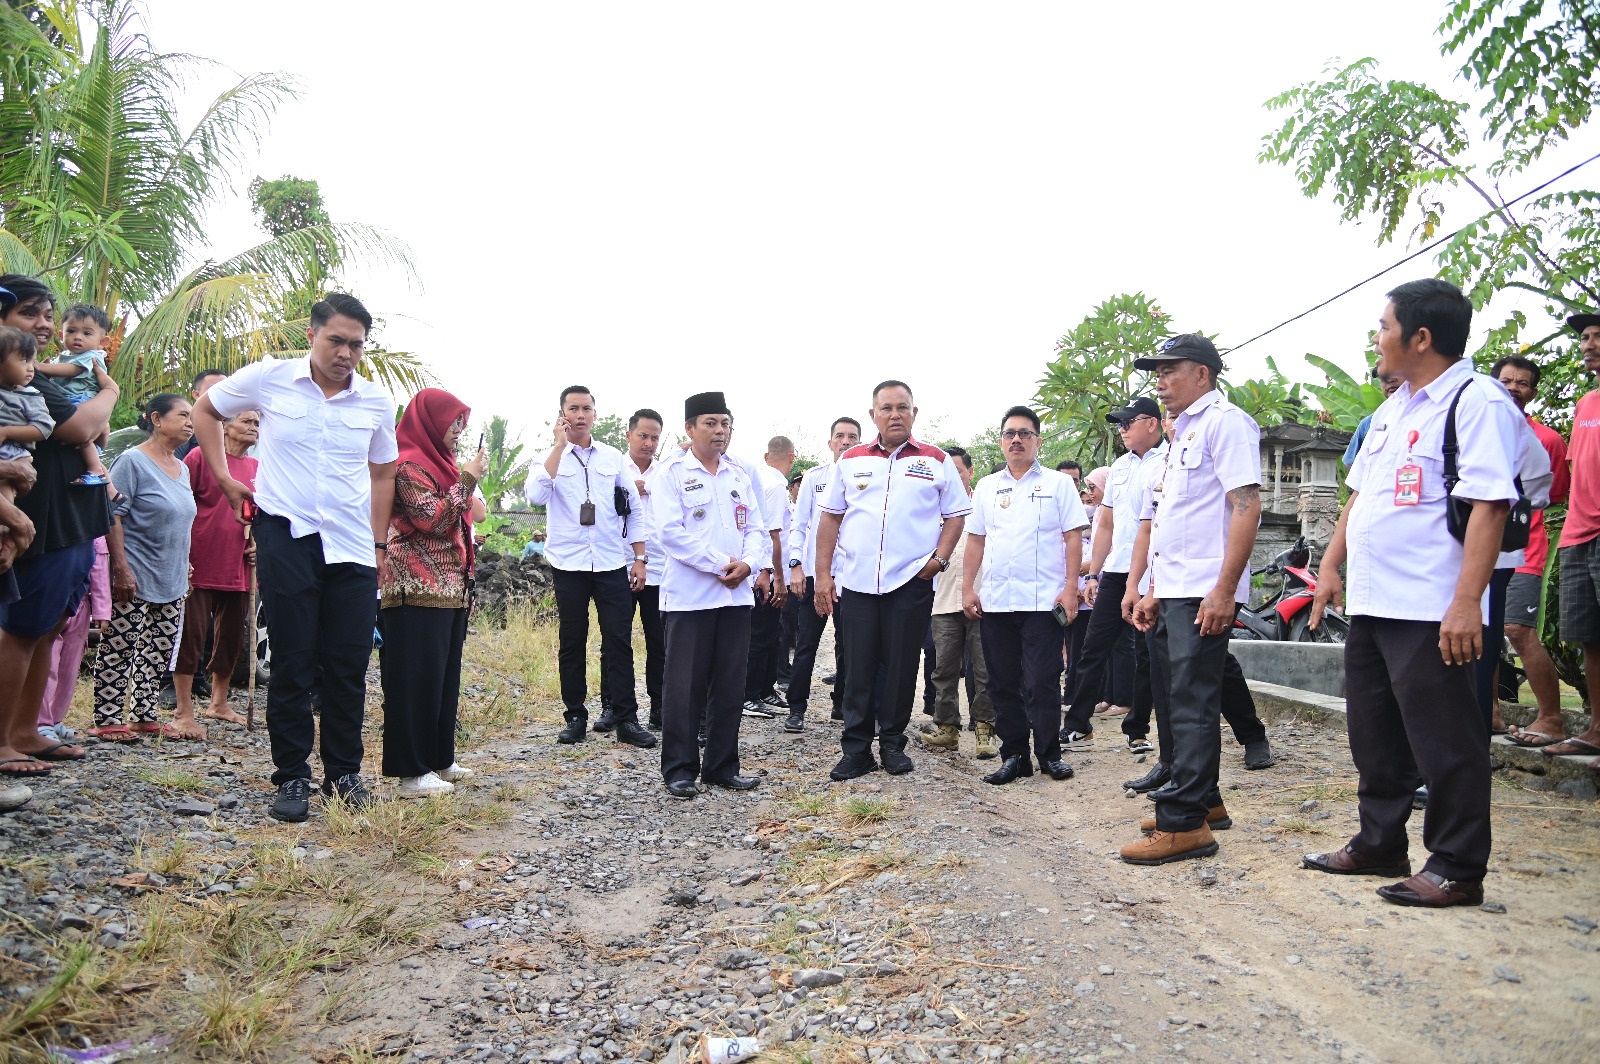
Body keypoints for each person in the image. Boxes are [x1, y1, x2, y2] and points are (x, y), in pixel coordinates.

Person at [1305, 279, 1522, 907]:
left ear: (1420, 337)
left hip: (1431, 604)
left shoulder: (1476, 400)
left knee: (1445, 739)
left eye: (1383, 327)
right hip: (1374, 600)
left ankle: (1456, 866)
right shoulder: (1395, 407)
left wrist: (1464, 603)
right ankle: (1380, 842)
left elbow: (1490, 505)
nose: (1377, 339)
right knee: (1373, 732)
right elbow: (1359, 496)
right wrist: (1330, 567)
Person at [193, 293, 399, 822]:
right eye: (337, 340)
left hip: (352, 546)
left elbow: (382, 474)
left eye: (356, 344)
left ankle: (343, 773)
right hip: (287, 535)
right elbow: (206, 410)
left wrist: (379, 545)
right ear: (312, 335)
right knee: (293, 660)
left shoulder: (376, 403)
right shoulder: (270, 378)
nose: (346, 353)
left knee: (349, 663)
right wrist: (224, 477)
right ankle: (291, 776)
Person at [1121, 334, 1261, 865]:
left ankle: (1184, 826)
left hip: (1205, 588)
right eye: (1155, 371)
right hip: (1176, 588)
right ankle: (1202, 802)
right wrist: (1154, 588)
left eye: (1169, 370)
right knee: (1177, 696)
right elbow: (1177, 521)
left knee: (1194, 700)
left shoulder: (1227, 423)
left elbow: (1246, 507)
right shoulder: (1186, 432)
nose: (1159, 380)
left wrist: (1225, 589)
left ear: (1202, 374)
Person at [815, 380, 970, 781]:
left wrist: (938, 559)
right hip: (859, 582)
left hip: (910, 582)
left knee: (902, 667)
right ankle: (856, 749)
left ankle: (892, 744)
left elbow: (956, 515)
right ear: (873, 415)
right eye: (886, 408)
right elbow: (830, 518)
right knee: (858, 667)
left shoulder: (936, 460)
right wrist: (822, 576)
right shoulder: (850, 459)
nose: (895, 414)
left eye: (903, 407)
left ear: (915, 413)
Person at [0, 274, 117, 777]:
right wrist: (109, 392)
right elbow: (80, 427)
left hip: (68, 520)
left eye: (49, 315)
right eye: (32, 314)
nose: (45, 326)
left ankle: (27, 730)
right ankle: (3, 737)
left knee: (46, 629)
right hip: (39, 520)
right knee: (22, 630)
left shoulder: (37, 374)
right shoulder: (24, 375)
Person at [654, 392, 770, 798]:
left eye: (725, 423)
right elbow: (670, 533)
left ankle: (722, 766)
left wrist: (750, 565)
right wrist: (723, 564)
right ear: (689, 428)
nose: (720, 431)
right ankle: (680, 769)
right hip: (690, 598)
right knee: (684, 686)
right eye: (710, 423)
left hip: (736, 598)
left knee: (730, 684)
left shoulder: (740, 472)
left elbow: (756, 527)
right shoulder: (670, 472)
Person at [962, 406, 1087, 784]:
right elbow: (976, 541)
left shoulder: (1058, 484)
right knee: (1000, 682)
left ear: (1038, 440)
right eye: (1010, 433)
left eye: (1025, 433)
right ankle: (1015, 754)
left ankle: (1049, 754)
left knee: (1041, 680)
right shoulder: (986, 486)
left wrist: (1070, 589)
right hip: (997, 601)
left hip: (1042, 602)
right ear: (1001, 441)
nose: (1017, 439)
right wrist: (969, 588)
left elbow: (1072, 538)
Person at [525, 386, 654, 748]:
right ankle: (576, 716)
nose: (580, 415)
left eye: (586, 409)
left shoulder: (612, 458)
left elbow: (633, 510)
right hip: (569, 564)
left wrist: (639, 558)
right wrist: (558, 445)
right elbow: (535, 496)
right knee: (573, 641)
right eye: (573, 409)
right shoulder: (549, 458)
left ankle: (626, 718)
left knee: (618, 641)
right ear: (562, 414)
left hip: (612, 562)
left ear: (595, 414)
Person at [380, 388, 485, 798]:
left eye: (461, 423)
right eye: (452, 423)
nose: (458, 432)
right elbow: (434, 520)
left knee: (443, 679)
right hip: (414, 587)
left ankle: (440, 757)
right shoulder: (408, 463)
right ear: (429, 422)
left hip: (449, 588)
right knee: (414, 681)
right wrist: (470, 478)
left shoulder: (442, 464)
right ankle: (411, 771)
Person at [90, 394, 200, 740]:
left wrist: (186, 564)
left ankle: (144, 714)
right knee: (120, 646)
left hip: (172, 575)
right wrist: (120, 568)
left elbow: (180, 520)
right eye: (182, 415)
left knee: (159, 648)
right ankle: (107, 720)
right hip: (135, 571)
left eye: (191, 417)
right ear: (156, 418)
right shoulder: (132, 462)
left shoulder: (181, 468)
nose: (189, 423)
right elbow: (113, 516)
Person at [1061, 397, 1165, 752]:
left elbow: (1152, 528)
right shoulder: (1119, 466)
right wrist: (1094, 575)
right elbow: (1105, 522)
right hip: (1117, 571)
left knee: (1146, 652)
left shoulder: (1168, 462)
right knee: (1093, 646)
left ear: (1151, 423)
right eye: (1118, 424)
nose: (1121, 430)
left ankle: (1137, 730)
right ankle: (1078, 724)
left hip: (1155, 573)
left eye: (1127, 423)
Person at [1494, 356, 1569, 748]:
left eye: (1522, 383)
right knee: (1482, 632)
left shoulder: (1549, 440)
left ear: (1533, 392)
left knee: (1516, 631)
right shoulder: (1477, 431)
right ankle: (1488, 712)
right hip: (1476, 550)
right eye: (1506, 380)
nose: (1513, 388)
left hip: (1525, 549)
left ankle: (1552, 718)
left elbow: (1551, 497)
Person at [173, 409, 260, 729]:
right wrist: (181, 556)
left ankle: (219, 703)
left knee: (233, 638)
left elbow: (260, 517)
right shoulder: (199, 457)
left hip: (239, 565)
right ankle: (184, 710)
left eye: (256, 423)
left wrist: (258, 545)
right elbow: (179, 504)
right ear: (225, 426)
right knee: (191, 636)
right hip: (199, 561)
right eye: (246, 421)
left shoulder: (258, 468)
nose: (253, 428)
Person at [917, 446, 997, 757]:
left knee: (984, 669)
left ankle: (984, 730)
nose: (952, 475)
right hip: (943, 601)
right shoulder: (928, 507)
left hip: (982, 600)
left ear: (970, 472)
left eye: (958, 470)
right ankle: (947, 728)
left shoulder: (985, 504)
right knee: (943, 669)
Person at [1546, 310, 1600, 764]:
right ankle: (1598, 729)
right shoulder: (1585, 403)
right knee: (1588, 636)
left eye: (1598, 336)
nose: (1589, 344)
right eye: (1585, 336)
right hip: (1578, 533)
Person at [783, 417, 860, 731]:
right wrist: (796, 566)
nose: (845, 441)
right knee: (806, 645)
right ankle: (796, 708)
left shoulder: (868, 479)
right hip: (817, 575)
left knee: (849, 646)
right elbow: (798, 527)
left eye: (852, 437)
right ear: (830, 443)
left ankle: (842, 705)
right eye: (839, 436)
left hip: (852, 577)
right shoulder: (815, 478)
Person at [608, 408, 667, 729]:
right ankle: (611, 706)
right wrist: (631, 487)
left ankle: (659, 706)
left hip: (658, 566)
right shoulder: (612, 468)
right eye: (642, 435)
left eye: (654, 437)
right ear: (629, 435)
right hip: (618, 564)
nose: (648, 443)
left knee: (659, 641)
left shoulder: (667, 471)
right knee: (616, 639)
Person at [36, 537, 109, 743]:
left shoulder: (95, 531)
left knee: (70, 667)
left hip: (80, 606)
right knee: (47, 664)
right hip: (50, 599)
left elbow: (100, 567)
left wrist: (102, 609)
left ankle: (55, 718)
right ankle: (41, 722)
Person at [742, 436, 794, 718]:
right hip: (769, 572)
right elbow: (773, 535)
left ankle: (764, 689)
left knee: (772, 633)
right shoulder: (773, 486)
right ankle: (748, 694)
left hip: (769, 569)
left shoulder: (766, 481)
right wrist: (776, 576)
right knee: (761, 634)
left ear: (766, 456)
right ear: (791, 457)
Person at [33, 304, 113, 485]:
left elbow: (72, 370)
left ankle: (95, 470)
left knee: (83, 438)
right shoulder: (64, 356)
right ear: (61, 336)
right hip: (70, 398)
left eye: (87, 333)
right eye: (71, 331)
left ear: (102, 341)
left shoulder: (93, 355)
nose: (78, 337)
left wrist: (41, 367)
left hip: (82, 398)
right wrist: (48, 367)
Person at [0, 327, 52, 514]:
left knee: (5, 491)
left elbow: (44, 428)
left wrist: (6, 432)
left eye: (32, 360)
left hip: (12, 453)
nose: (31, 367)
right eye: (23, 360)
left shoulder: (29, 396)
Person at [174, 369, 227, 460]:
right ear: (196, 395)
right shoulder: (186, 425)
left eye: (225, 389)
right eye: (213, 390)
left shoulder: (239, 424)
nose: (220, 394)